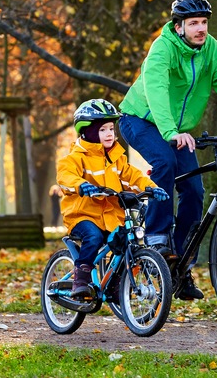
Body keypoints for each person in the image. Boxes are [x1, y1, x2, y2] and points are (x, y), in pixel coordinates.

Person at [119, 0, 217, 300]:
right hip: (141, 120)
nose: (200, 29)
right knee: (165, 162)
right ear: (179, 27)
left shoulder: (212, 50)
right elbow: (156, 90)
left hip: (178, 131)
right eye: (193, 24)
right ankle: (157, 236)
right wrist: (170, 131)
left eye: (203, 22)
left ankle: (180, 264)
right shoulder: (162, 49)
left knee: (194, 190)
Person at [57, 99, 169, 298]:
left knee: (126, 240)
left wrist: (153, 188)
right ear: (88, 132)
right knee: (93, 237)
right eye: (103, 130)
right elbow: (66, 177)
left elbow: (134, 176)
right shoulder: (75, 158)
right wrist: (81, 185)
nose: (110, 134)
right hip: (82, 215)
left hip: (111, 215)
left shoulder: (117, 158)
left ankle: (116, 283)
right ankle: (80, 280)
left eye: (111, 129)